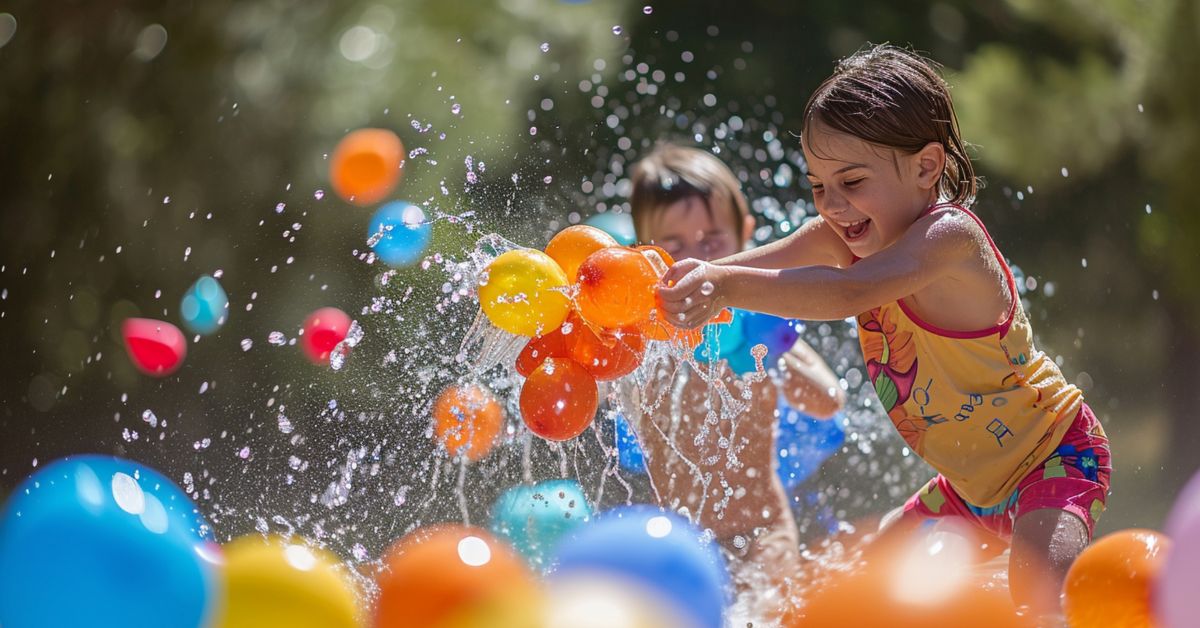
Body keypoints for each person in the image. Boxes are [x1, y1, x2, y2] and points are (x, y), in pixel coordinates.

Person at [656, 44, 1112, 617]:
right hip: (966, 488)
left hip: (1054, 457)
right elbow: (772, 258)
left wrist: (723, 288)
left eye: (851, 180)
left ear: (925, 167)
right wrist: (701, 278)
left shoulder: (950, 239)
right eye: (819, 185)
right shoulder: (848, 231)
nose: (834, 205)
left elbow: (850, 291)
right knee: (863, 599)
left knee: (1040, 601)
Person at [623, 142, 846, 599]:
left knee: (768, 612)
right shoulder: (642, 336)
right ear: (642, 251)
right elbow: (602, 393)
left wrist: (774, 355)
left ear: (746, 235)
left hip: (762, 529)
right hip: (673, 540)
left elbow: (828, 399)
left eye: (711, 241)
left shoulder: (761, 320)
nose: (693, 259)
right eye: (672, 245)